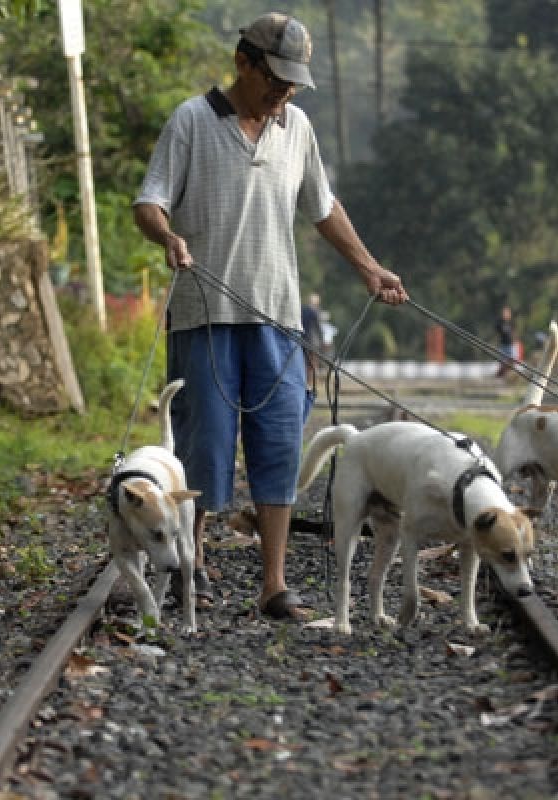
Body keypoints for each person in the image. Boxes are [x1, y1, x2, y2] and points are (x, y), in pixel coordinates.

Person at [132, 11, 408, 620]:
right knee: (203, 446)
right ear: (243, 63)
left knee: (279, 444)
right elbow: (149, 200)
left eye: (292, 81)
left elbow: (322, 206)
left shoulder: (297, 128)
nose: (284, 90)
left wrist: (368, 266)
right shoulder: (191, 122)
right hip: (204, 313)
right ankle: (194, 563)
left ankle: (274, 584)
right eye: (275, 77)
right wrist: (167, 237)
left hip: (279, 318)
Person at [495, 305, 523, 377]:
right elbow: (498, 332)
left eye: (507, 313)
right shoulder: (499, 323)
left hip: (511, 345)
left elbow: (515, 332)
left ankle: (512, 375)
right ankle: (502, 375)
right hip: (503, 345)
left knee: (514, 360)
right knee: (503, 362)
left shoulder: (512, 322)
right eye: (504, 313)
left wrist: (516, 342)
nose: (505, 314)